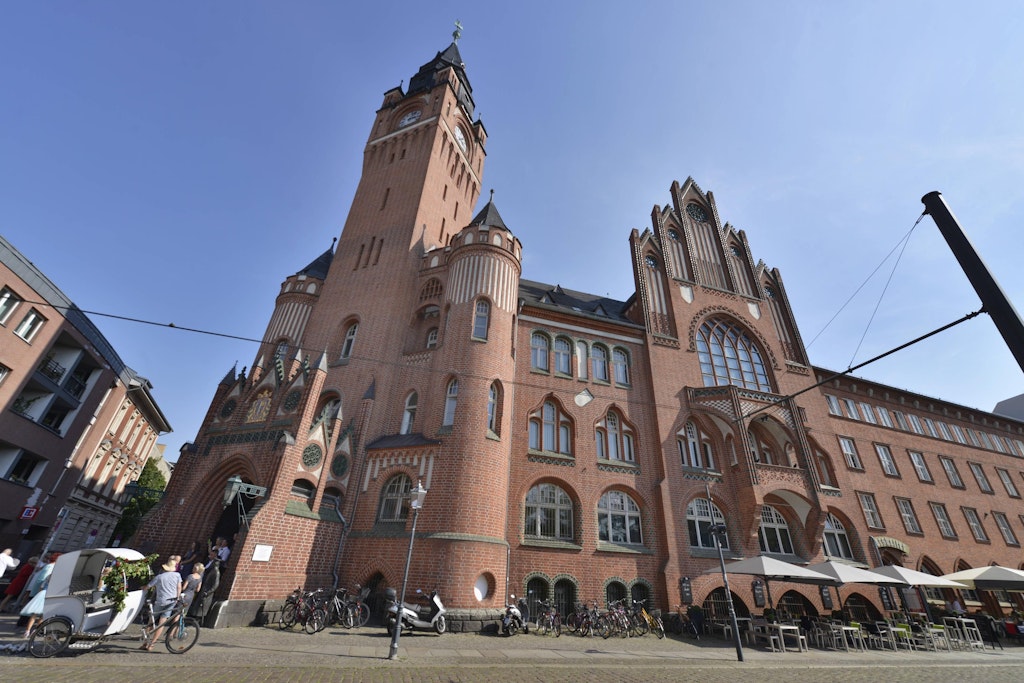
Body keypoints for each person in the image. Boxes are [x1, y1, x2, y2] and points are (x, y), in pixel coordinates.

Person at [141, 555, 182, 651]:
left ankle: (145, 642)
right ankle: (152, 644)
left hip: (160, 601)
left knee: (151, 621)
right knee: (162, 623)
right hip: (172, 601)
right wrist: (177, 597)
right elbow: (179, 587)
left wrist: (142, 588)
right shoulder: (177, 575)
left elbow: (148, 586)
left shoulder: (159, 577)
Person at [20, 553, 59, 638]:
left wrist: (38, 593)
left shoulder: (48, 576)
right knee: (42, 615)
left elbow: (42, 585)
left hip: (42, 594)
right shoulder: (56, 576)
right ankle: (36, 630)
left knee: (34, 614)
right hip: (49, 595)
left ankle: (27, 631)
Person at [191, 550, 220, 620]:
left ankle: (198, 620)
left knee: (202, 607)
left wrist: (208, 592)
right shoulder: (210, 568)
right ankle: (194, 617)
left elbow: (215, 584)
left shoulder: (216, 572)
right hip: (203, 587)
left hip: (207, 591)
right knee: (198, 604)